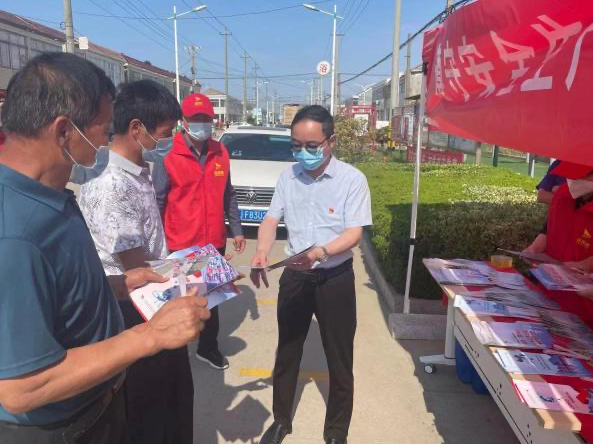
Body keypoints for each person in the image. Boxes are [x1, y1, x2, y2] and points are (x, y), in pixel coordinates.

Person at [0, 53, 210, 444]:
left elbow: (57, 292)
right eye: (104, 127)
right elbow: (22, 387)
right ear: (64, 131)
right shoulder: (13, 234)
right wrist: (150, 336)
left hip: (98, 404)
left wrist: (116, 285)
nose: (106, 140)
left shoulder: (50, 195)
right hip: (60, 429)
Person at [77, 80, 195, 444]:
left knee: (174, 399)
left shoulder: (140, 172)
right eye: (166, 133)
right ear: (136, 128)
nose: (170, 140)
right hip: (133, 305)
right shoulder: (112, 185)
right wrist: (197, 274)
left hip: (154, 296)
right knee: (149, 408)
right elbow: (136, 266)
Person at [250, 105, 372, 444]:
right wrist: (262, 251)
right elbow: (271, 219)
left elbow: (354, 232)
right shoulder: (287, 178)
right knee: (287, 352)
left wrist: (321, 252)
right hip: (295, 276)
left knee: (339, 358)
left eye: (311, 146)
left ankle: (336, 432)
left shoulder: (351, 180)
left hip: (334, 278)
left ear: (331, 141)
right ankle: (281, 421)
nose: (303, 152)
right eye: (296, 145)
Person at [153, 93, 245, 370]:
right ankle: (173, 350)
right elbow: (158, 200)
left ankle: (207, 347)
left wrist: (236, 229)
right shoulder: (168, 153)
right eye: (195, 119)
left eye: (206, 118)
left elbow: (228, 193)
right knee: (178, 298)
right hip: (179, 242)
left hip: (213, 242)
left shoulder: (220, 152)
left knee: (212, 298)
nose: (201, 124)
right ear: (183, 121)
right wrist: (156, 244)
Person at [524, 161, 593, 324]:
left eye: (583, 176)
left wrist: (582, 265)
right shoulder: (563, 193)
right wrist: (536, 247)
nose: (573, 182)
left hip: (584, 309)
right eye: (570, 176)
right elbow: (550, 225)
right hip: (549, 294)